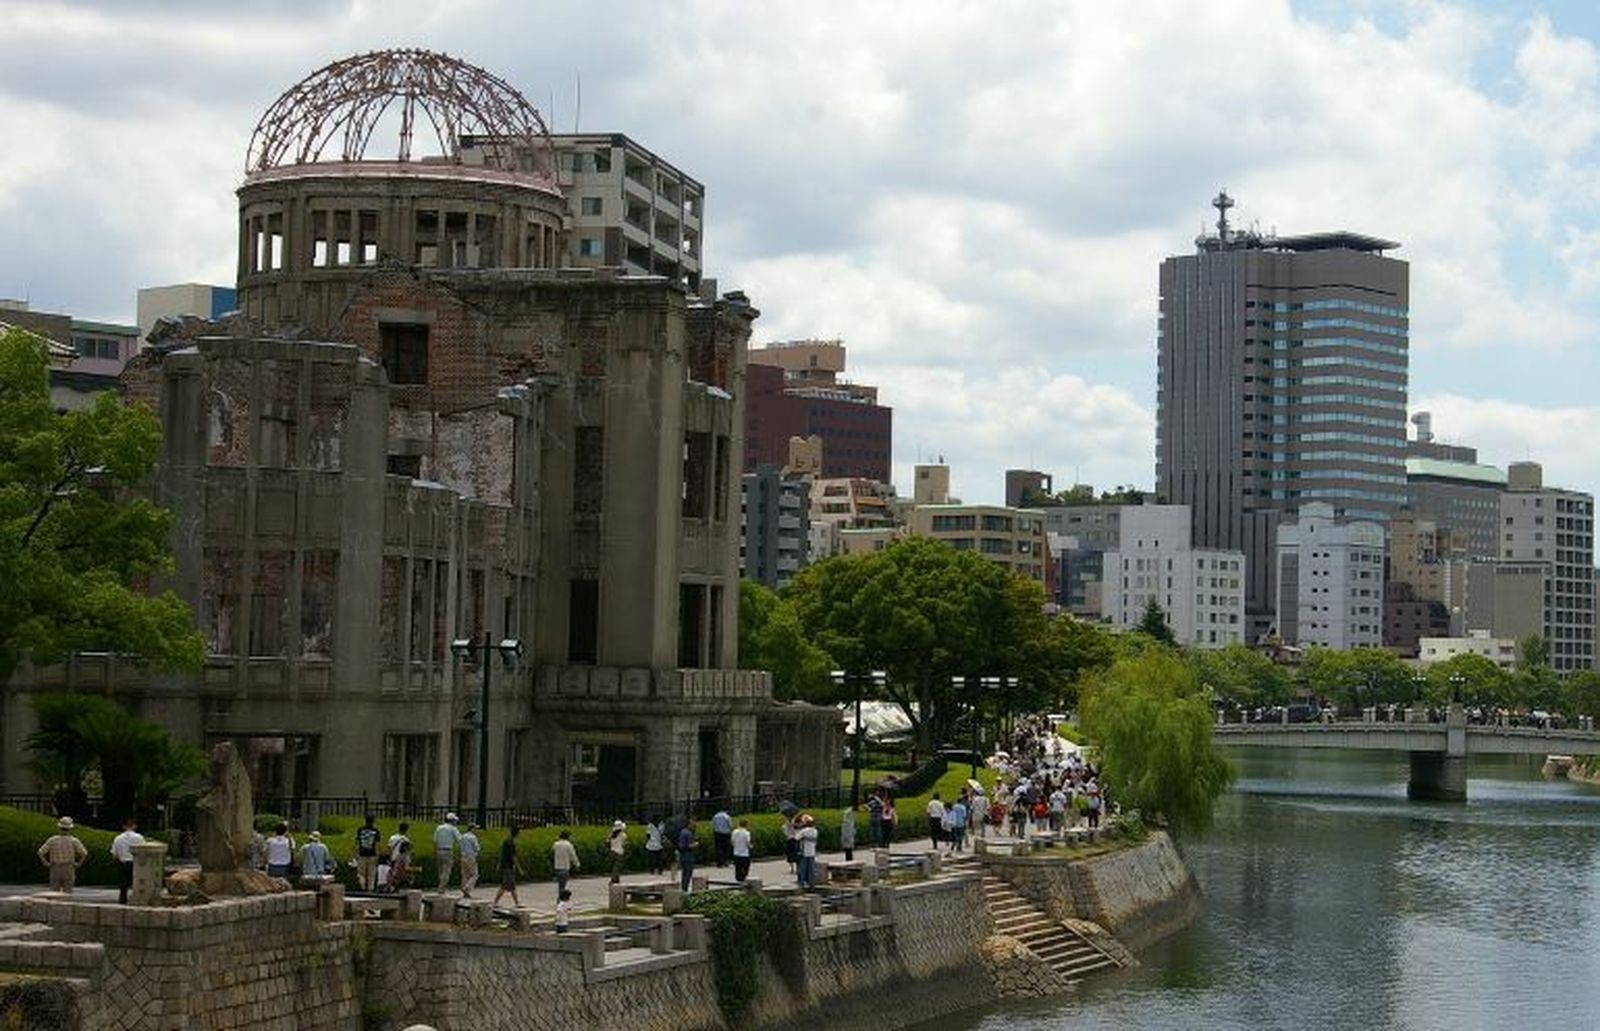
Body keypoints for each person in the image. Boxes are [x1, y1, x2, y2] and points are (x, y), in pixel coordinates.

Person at [39, 817, 88, 894]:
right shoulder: (74, 840)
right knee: (68, 891)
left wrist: (46, 862)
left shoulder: (52, 840)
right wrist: (78, 863)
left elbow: (40, 852)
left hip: (55, 867)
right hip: (69, 867)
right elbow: (84, 853)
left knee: (54, 892)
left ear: (59, 828)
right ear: (70, 829)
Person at [110, 816, 144, 905]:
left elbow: (114, 854)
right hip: (136, 863)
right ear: (135, 826)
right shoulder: (139, 837)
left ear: (123, 826)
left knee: (123, 884)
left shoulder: (118, 838)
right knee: (136, 883)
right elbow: (144, 851)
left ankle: (123, 900)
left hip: (123, 863)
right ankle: (137, 900)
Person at [493, 826, 522, 910]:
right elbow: (514, 857)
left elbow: (501, 854)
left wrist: (498, 864)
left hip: (505, 865)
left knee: (511, 885)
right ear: (517, 833)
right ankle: (495, 902)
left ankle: (517, 903)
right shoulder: (511, 843)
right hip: (508, 866)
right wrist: (519, 868)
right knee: (505, 885)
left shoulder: (506, 841)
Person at [433, 813, 461, 892]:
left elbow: (435, 841)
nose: (456, 822)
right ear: (451, 821)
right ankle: (441, 888)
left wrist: (434, 852)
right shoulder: (453, 829)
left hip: (439, 850)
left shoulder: (439, 828)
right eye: (455, 821)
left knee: (440, 871)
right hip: (448, 850)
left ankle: (442, 886)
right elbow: (459, 840)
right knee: (446, 871)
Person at [354, 814, 382, 892]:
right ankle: (370, 889)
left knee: (361, 873)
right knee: (371, 874)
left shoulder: (360, 830)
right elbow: (377, 845)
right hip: (372, 854)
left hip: (362, 854)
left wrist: (354, 854)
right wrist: (378, 856)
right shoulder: (376, 831)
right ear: (373, 821)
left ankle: (362, 887)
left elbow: (357, 843)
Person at [552, 829, 580, 897]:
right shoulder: (569, 845)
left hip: (557, 867)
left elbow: (552, 852)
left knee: (560, 885)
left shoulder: (556, 844)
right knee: (563, 886)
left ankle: (560, 899)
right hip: (565, 868)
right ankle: (561, 900)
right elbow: (573, 856)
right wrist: (577, 864)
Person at [795, 814, 819, 889]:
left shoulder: (804, 831)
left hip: (804, 852)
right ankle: (811, 883)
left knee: (802, 868)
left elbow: (796, 838)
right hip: (812, 852)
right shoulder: (815, 831)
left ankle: (801, 882)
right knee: (811, 869)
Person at [459, 824, 482, 898]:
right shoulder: (473, 837)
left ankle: (465, 891)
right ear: (472, 829)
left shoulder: (463, 836)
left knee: (465, 875)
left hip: (463, 856)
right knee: (475, 874)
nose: (476, 830)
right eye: (475, 829)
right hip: (471, 856)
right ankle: (467, 888)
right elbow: (477, 848)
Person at [676, 820, 698, 892]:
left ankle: (683, 887)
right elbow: (689, 845)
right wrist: (695, 844)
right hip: (688, 854)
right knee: (688, 872)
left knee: (684, 872)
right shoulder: (688, 833)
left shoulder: (682, 832)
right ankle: (685, 887)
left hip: (682, 855)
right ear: (688, 825)